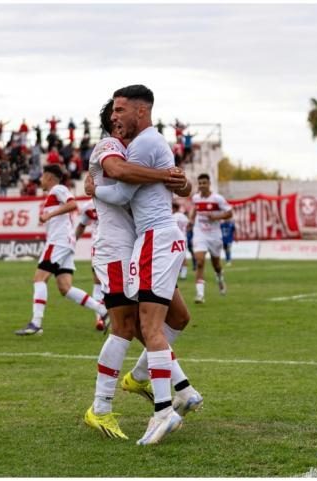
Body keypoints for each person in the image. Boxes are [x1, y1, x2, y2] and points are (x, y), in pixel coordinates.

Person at [88, 85, 201, 445]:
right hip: (120, 248)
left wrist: (178, 181)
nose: (117, 118)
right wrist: (168, 177)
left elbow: (143, 182)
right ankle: (103, 407)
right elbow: (120, 174)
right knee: (128, 324)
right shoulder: (111, 146)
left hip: (146, 243)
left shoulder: (142, 144)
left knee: (168, 319)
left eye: (121, 111)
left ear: (138, 113)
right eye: (113, 113)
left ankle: (163, 390)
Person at [15, 164, 109, 336]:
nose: (40, 180)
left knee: (39, 279)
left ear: (50, 177)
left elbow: (72, 204)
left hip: (58, 242)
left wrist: (48, 216)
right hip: (65, 242)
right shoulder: (54, 193)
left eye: (43, 177)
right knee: (65, 288)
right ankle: (102, 311)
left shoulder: (57, 189)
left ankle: (36, 323)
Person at [189, 173, 232, 303]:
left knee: (216, 264)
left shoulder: (217, 199)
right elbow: (195, 210)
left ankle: (220, 278)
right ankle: (200, 295)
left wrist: (216, 218)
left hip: (214, 234)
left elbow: (229, 213)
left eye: (204, 183)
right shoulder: (196, 198)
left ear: (209, 184)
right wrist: (191, 220)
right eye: (200, 183)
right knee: (200, 261)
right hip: (200, 233)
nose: (202, 185)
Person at [73, 199, 107, 331]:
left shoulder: (116, 196)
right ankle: (100, 317)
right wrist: (73, 241)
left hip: (118, 246)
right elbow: (82, 225)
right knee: (98, 282)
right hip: (98, 248)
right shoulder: (89, 206)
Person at [172, 201, 190, 279]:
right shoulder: (183, 216)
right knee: (182, 256)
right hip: (183, 238)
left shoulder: (174, 216)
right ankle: (183, 274)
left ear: (174, 208)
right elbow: (189, 226)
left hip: (175, 239)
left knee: (176, 256)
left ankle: (181, 274)